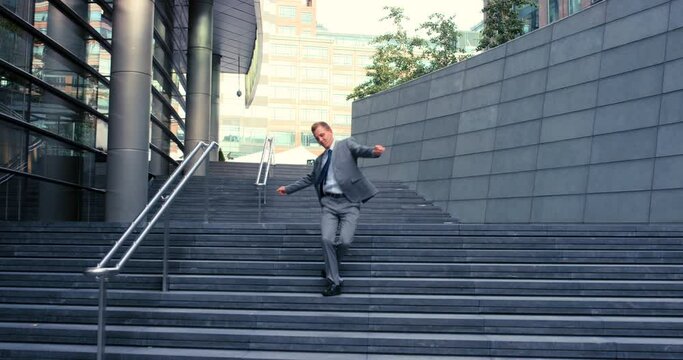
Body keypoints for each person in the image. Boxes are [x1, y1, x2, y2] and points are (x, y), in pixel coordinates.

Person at [276, 121, 385, 296]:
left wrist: (374, 152)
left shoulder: (346, 145)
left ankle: (330, 266)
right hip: (329, 204)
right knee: (327, 239)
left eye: (322, 135)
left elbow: (361, 150)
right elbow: (309, 178)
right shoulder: (320, 160)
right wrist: (287, 189)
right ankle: (334, 281)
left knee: (345, 241)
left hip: (350, 202)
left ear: (330, 132)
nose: (320, 139)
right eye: (316, 137)